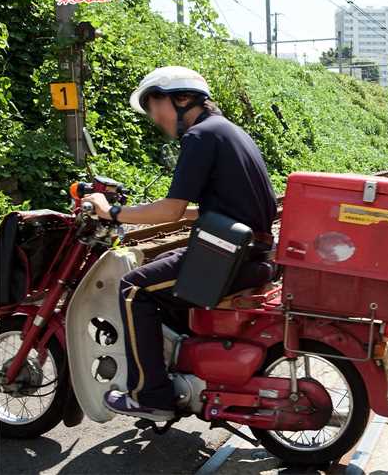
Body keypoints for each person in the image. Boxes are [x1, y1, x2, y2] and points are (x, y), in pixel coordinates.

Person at [81, 66, 278, 421]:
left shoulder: (200, 137)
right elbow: (201, 210)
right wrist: (132, 213)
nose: (156, 118)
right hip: (248, 251)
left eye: (156, 107)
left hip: (229, 257)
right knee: (163, 268)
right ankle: (180, 375)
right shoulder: (227, 132)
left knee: (133, 288)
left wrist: (111, 211)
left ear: (181, 99)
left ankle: (151, 395)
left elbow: (171, 211)